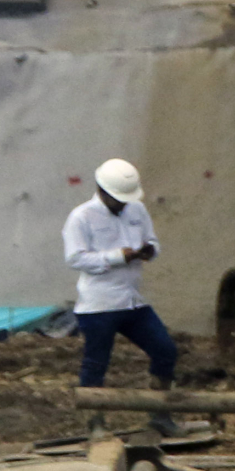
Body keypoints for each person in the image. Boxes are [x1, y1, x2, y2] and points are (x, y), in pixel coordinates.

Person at [64, 158, 178, 397]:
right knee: (96, 364)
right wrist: (117, 257)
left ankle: (160, 416)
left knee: (165, 350)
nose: (123, 205)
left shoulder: (137, 209)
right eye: (118, 199)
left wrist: (149, 250)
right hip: (99, 305)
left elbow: (153, 241)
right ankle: (95, 423)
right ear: (102, 191)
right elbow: (75, 258)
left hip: (133, 301)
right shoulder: (81, 217)